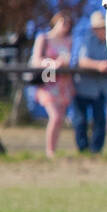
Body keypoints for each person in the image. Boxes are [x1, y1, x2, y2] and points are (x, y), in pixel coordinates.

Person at [30, 11, 75, 158]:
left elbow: (74, 60)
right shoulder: (44, 38)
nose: (66, 27)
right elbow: (36, 60)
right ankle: (49, 151)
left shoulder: (69, 41)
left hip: (63, 83)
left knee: (59, 119)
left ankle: (53, 150)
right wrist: (52, 63)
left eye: (69, 24)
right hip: (48, 83)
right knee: (55, 117)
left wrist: (65, 62)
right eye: (64, 22)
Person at [72, 11, 107, 153]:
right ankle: (83, 148)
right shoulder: (86, 40)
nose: (103, 30)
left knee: (100, 120)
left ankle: (96, 150)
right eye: (100, 27)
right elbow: (81, 61)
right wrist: (99, 66)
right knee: (81, 120)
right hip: (84, 87)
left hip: (102, 88)